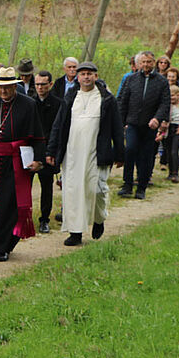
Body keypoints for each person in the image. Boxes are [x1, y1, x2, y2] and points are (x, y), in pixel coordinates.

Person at [46, 62, 123, 246]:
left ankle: (98, 219)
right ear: (77, 77)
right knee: (73, 193)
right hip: (72, 154)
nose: (86, 77)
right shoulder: (70, 97)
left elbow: (117, 128)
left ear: (96, 76)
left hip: (96, 153)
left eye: (90, 74)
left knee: (96, 190)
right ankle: (76, 232)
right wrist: (51, 150)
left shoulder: (107, 99)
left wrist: (120, 153)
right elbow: (58, 125)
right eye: (83, 74)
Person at [0, 67, 44, 262]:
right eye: (0, 88)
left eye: (7, 88)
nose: (3, 92)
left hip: (18, 162)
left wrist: (38, 160)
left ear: (14, 86)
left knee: (11, 204)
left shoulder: (28, 105)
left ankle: (5, 246)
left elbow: (37, 135)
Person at [117, 50, 169, 200]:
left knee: (145, 156)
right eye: (143, 62)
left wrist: (158, 119)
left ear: (154, 63)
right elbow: (123, 100)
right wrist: (122, 122)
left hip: (150, 125)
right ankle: (127, 184)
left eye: (149, 62)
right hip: (132, 123)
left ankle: (141, 187)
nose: (146, 65)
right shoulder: (131, 79)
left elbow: (165, 103)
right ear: (139, 63)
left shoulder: (161, 81)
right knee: (130, 150)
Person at [31, 70, 64, 233]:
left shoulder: (58, 104)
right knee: (25, 185)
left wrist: (49, 149)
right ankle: (25, 217)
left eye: (43, 84)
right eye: (37, 84)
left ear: (50, 85)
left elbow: (58, 129)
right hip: (30, 149)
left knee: (46, 186)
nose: (40, 87)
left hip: (48, 150)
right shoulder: (30, 102)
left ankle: (44, 219)